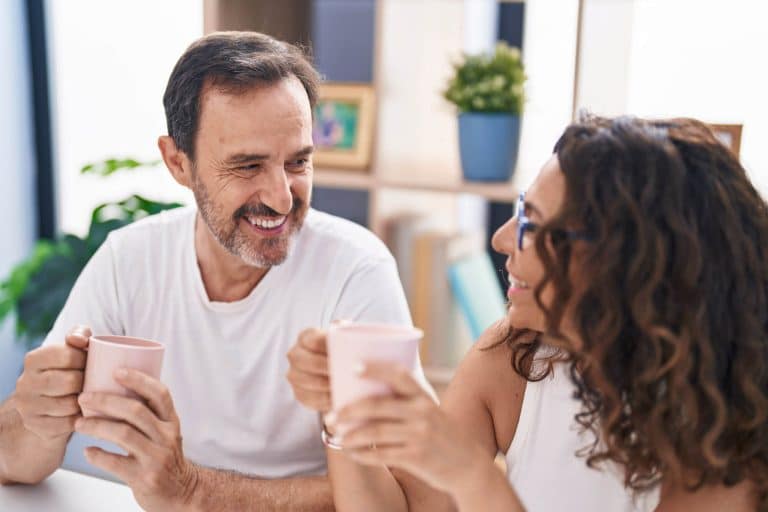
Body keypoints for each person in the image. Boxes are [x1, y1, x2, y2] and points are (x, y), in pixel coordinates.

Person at [0, 31, 418, 511]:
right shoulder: (130, 260)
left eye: (298, 162)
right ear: (178, 161)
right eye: (247, 166)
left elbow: (400, 496)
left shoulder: (355, 272)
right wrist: (36, 417)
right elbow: (14, 462)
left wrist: (194, 493)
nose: (282, 197)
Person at [288, 115, 768, 511]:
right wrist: (345, 417)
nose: (500, 240)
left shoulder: (725, 417)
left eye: (532, 226)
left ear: (625, 261)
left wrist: (474, 478)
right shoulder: (515, 357)